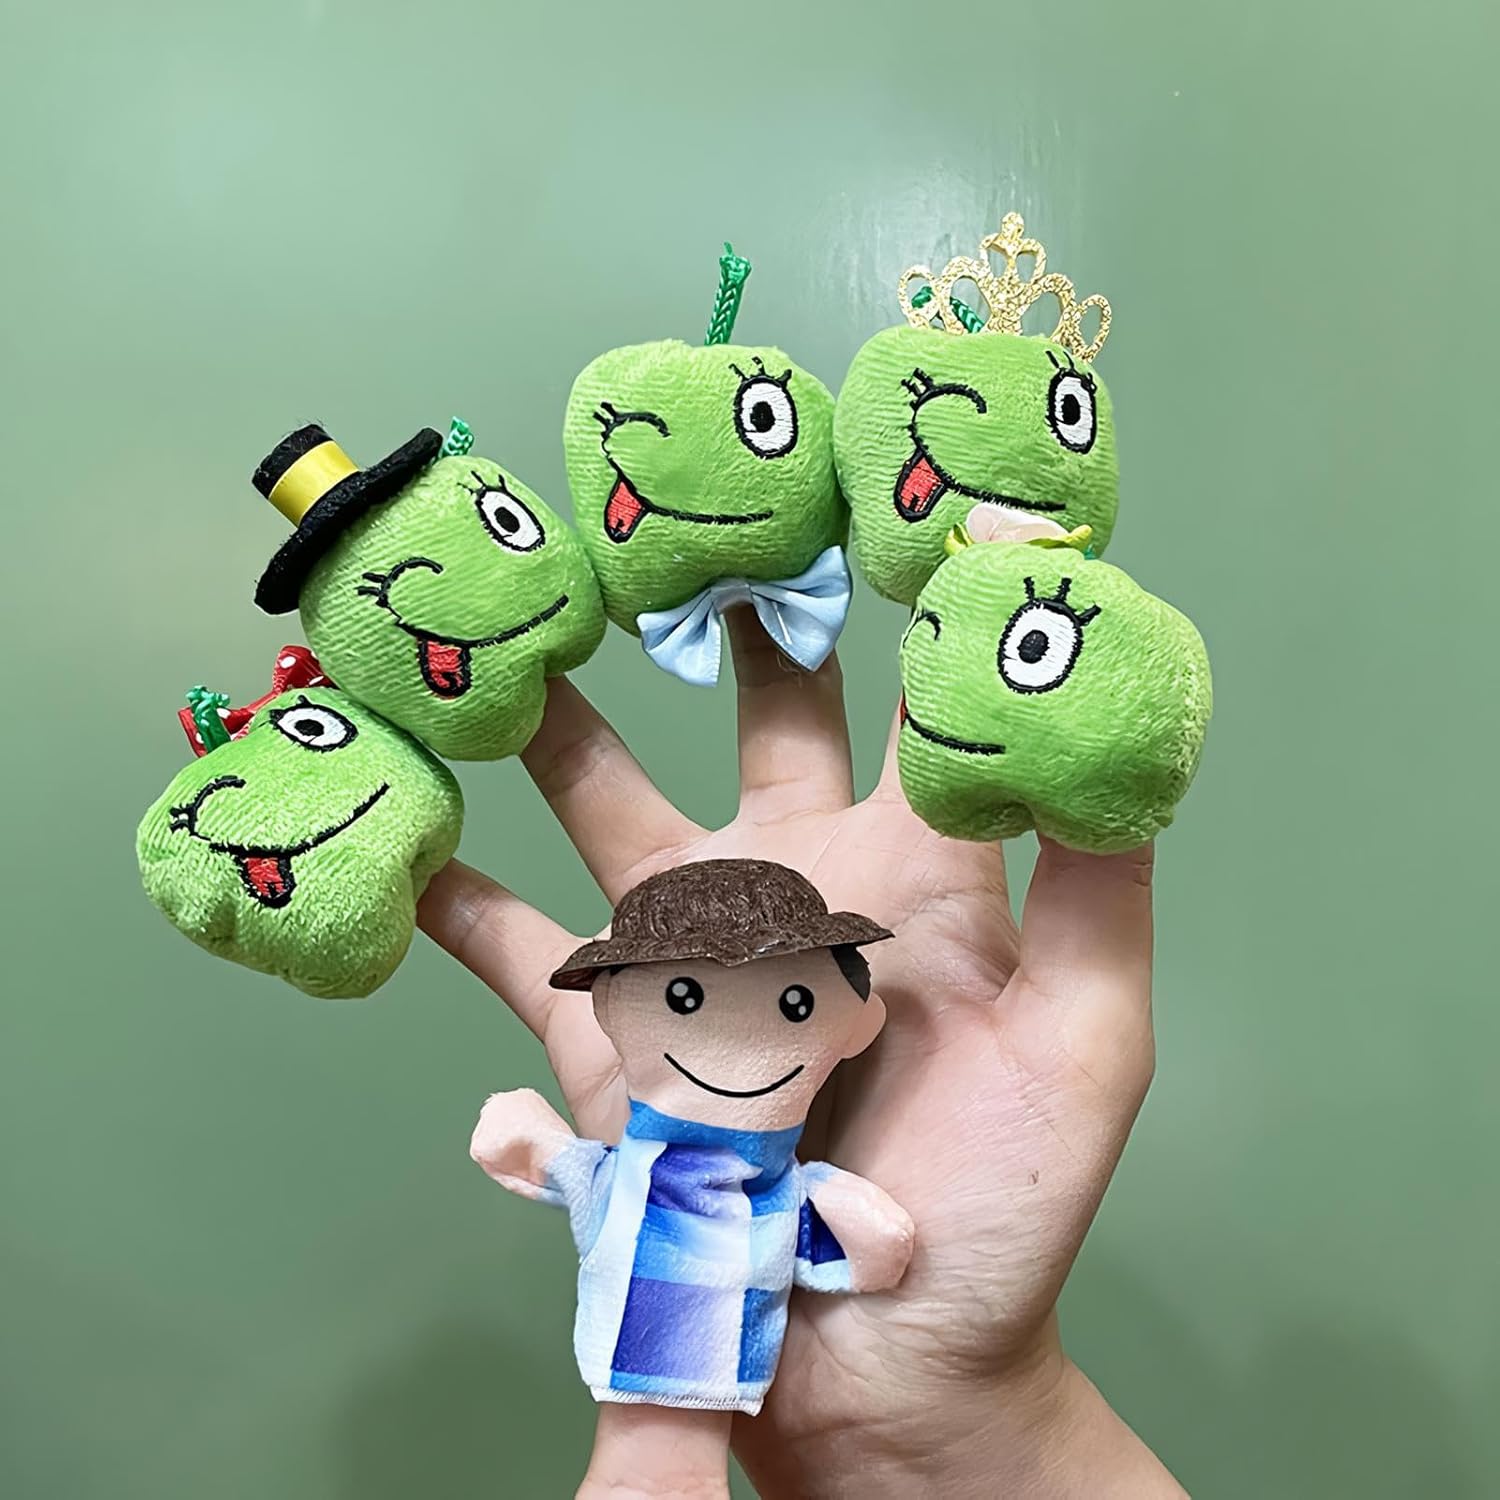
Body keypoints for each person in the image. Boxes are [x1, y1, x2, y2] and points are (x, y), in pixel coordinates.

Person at [418, 613, 1187, 1499]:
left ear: (855, 1023)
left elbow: (859, 1242)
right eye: (682, 998)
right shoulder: (671, 1184)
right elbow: (855, 1242)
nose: (733, 1034)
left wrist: (944, 1408)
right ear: (611, 1007)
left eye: (793, 1004)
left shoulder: (756, 1197)